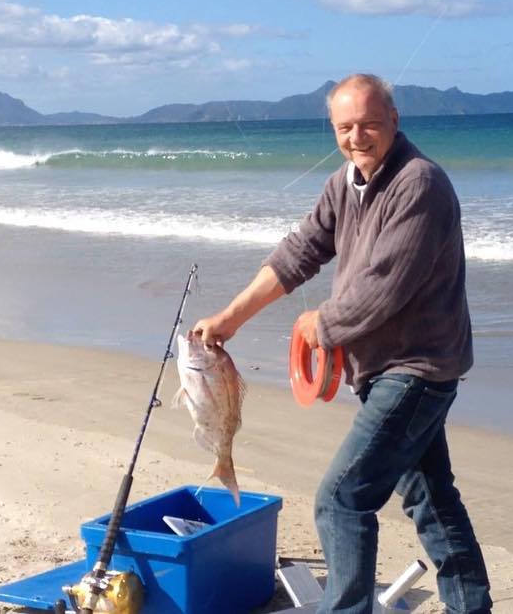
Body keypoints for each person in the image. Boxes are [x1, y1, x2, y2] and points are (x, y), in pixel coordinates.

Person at [192, 73, 491, 614]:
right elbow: (298, 253)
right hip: (380, 368)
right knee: (430, 499)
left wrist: (318, 325)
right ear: (333, 128)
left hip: (417, 368)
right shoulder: (343, 183)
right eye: (345, 127)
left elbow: (385, 287)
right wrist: (230, 317)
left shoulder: (419, 183)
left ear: (394, 122)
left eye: (370, 125)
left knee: (341, 499)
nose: (358, 137)